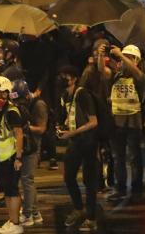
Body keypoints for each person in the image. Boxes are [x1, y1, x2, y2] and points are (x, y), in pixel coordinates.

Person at [57, 65, 99, 232]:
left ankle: (91, 218)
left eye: (65, 76)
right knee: (69, 177)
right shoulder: (65, 95)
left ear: (74, 78)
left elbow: (94, 121)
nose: (62, 79)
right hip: (75, 142)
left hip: (88, 142)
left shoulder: (82, 94)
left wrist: (72, 132)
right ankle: (78, 208)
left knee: (90, 181)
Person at [107, 45, 145, 204]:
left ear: (136, 60)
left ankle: (137, 190)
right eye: (124, 57)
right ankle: (120, 189)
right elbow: (103, 73)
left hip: (133, 121)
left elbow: (139, 75)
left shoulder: (139, 77)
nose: (125, 61)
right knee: (118, 158)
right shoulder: (115, 76)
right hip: (116, 122)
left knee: (134, 157)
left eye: (130, 58)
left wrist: (121, 56)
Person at [0, 76, 25, 234]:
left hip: (11, 156)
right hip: (4, 156)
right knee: (8, 191)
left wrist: (18, 157)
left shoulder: (11, 111)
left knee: (13, 190)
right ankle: (11, 219)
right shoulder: (0, 111)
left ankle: (16, 223)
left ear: (5, 94)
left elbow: (19, 134)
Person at [15, 80, 46, 227]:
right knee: (27, 180)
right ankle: (35, 213)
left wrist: (25, 128)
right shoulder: (26, 104)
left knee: (27, 180)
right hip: (28, 144)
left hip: (33, 146)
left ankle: (28, 214)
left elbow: (41, 129)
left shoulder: (38, 105)